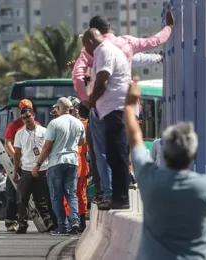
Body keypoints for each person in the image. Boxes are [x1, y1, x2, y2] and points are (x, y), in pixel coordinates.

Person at [71, 10, 174, 208]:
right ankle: (117, 194)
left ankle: (110, 194)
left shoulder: (96, 50)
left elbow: (80, 76)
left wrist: (86, 100)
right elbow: (153, 41)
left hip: (108, 107)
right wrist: (169, 27)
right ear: (108, 28)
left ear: (92, 36)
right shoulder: (126, 42)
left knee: (103, 153)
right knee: (118, 153)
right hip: (125, 105)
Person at [125, 80, 206, 260]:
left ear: (164, 153)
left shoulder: (149, 179)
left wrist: (130, 106)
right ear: (195, 155)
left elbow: (135, 137)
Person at [82, 28, 131, 210]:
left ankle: (120, 197)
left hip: (115, 110)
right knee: (113, 154)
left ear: (88, 42)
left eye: (84, 47)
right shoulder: (106, 50)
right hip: (112, 110)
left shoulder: (103, 50)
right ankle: (118, 197)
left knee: (116, 154)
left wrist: (92, 100)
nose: (86, 52)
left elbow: (103, 77)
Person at [32, 97, 86, 235]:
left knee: (56, 196)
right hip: (73, 162)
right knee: (71, 194)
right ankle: (75, 222)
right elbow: (81, 142)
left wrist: (38, 164)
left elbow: (47, 146)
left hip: (57, 162)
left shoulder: (54, 123)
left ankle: (62, 227)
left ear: (58, 109)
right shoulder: (78, 123)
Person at [13, 107, 57, 234]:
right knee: (22, 199)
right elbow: (17, 154)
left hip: (43, 169)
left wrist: (50, 167)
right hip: (26, 170)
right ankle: (22, 224)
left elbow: (50, 150)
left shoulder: (44, 131)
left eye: (28, 116)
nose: (26, 120)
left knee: (46, 198)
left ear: (33, 115)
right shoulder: (19, 134)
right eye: (23, 118)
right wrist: (15, 171)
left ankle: (52, 222)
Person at [4, 99, 40, 232]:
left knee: (37, 194)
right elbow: (8, 143)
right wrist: (16, 158)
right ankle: (11, 221)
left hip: (33, 165)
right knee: (13, 193)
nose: (26, 116)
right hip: (19, 165)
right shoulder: (14, 126)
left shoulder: (37, 125)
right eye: (23, 111)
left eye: (28, 110)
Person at [63, 96, 89, 232]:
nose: (76, 110)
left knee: (80, 194)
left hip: (80, 165)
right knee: (67, 195)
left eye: (77, 108)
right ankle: (72, 222)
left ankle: (81, 222)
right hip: (68, 164)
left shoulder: (85, 124)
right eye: (73, 108)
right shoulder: (62, 124)